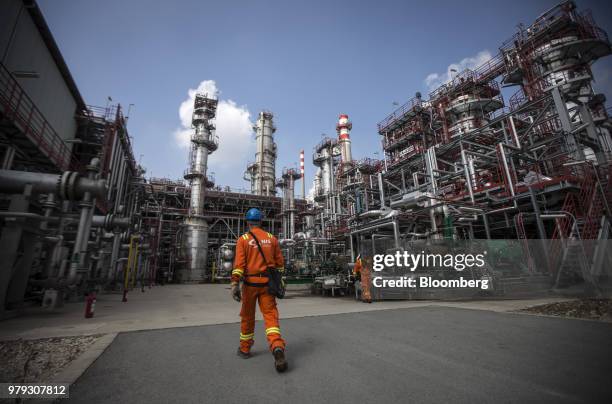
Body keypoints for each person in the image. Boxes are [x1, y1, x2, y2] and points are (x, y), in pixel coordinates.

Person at [230, 207, 288, 372]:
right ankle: (277, 346)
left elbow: (239, 266)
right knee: (271, 318)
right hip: (268, 285)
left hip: (250, 285)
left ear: (248, 222)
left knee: (247, 317)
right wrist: (281, 280)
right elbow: (280, 264)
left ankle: (245, 349)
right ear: (261, 221)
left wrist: (235, 284)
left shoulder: (243, 239)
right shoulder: (272, 239)